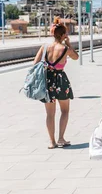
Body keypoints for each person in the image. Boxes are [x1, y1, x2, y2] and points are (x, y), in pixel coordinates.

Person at [33, 17, 79, 149]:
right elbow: (76, 57)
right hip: (60, 80)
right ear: (63, 35)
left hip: (47, 81)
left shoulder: (45, 47)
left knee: (49, 113)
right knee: (65, 111)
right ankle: (61, 138)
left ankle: (52, 142)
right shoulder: (65, 49)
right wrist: (69, 44)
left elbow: (35, 63)